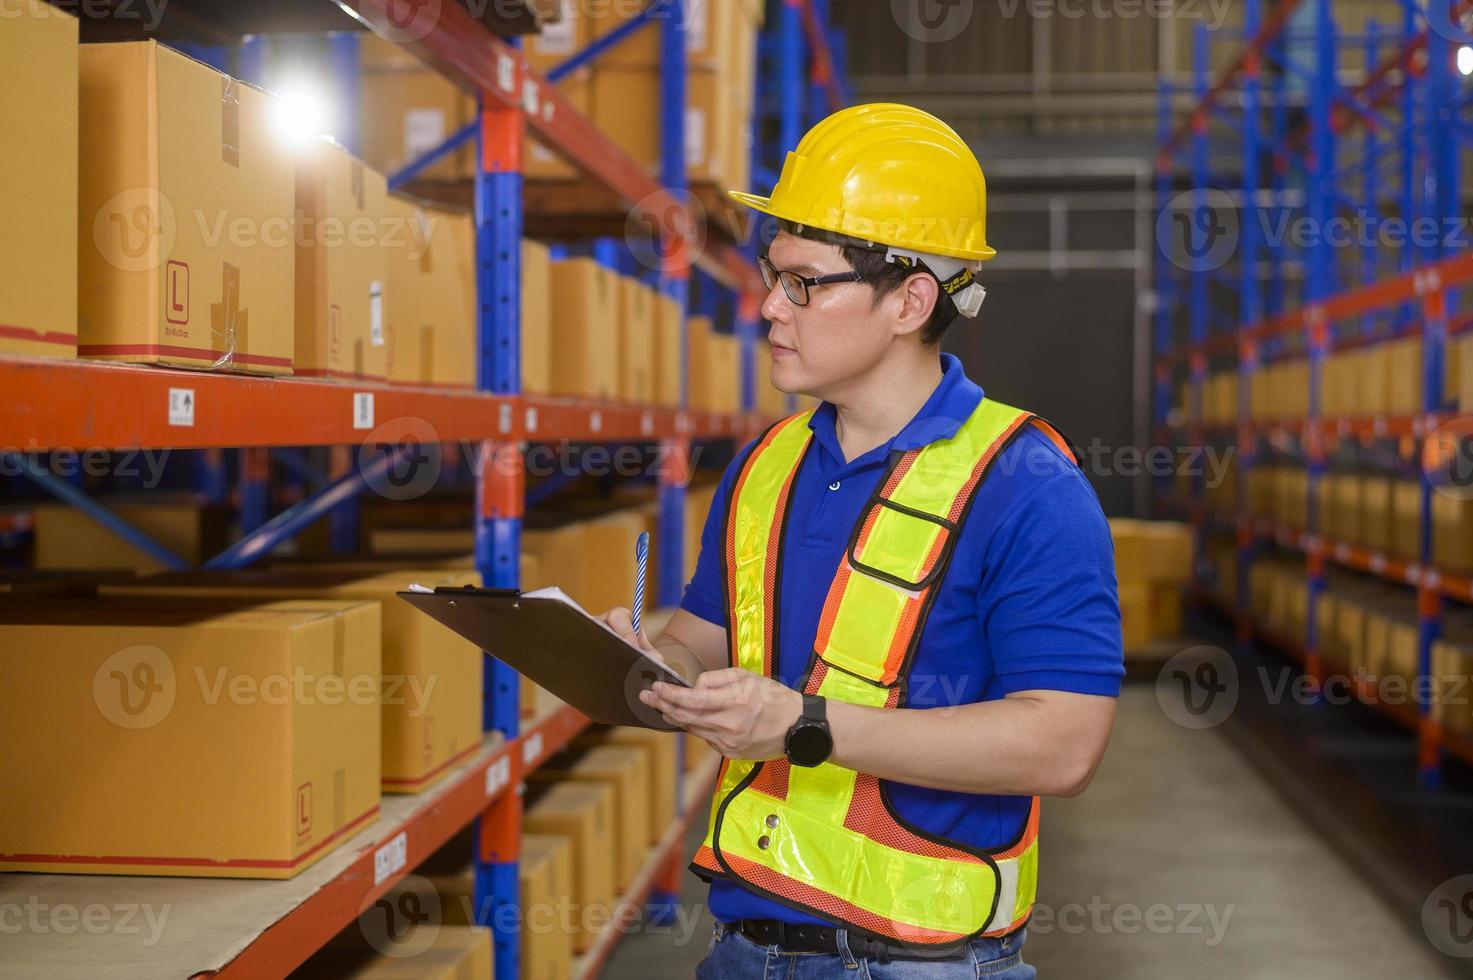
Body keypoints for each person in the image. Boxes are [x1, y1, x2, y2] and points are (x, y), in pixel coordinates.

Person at [600, 103, 1123, 979]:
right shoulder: (766, 463)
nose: (769, 307)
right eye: (772, 275)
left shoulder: (1027, 486)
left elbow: (1062, 745)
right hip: (741, 945)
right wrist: (644, 659)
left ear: (910, 300)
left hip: (921, 963)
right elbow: (709, 633)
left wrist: (804, 726)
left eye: (805, 283)